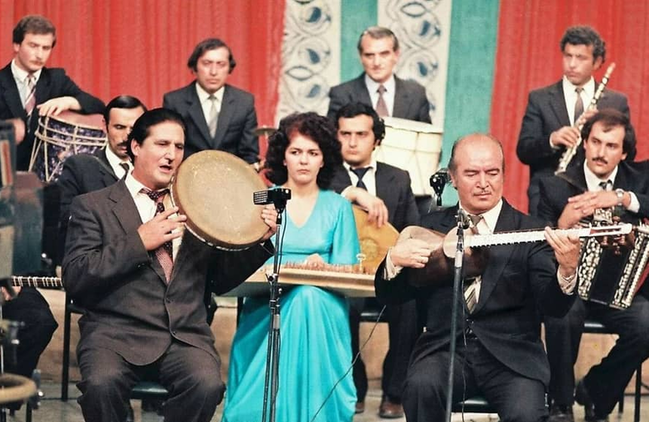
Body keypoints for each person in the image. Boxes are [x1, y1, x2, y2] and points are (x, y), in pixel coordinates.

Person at [62, 108, 276, 422]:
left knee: (207, 385)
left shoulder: (198, 206)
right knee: (100, 385)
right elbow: (76, 276)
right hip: (114, 338)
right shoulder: (93, 206)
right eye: (162, 144)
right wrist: (139, 241)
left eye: (178, 147)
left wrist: (259, 241)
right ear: (136, 146)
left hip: (183, 338)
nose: (172, 155)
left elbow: (217, 281)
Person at [375, 133, 581, 422]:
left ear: (503, 174)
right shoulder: (428, 226)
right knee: (421, 388)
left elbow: (554, 307)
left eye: (492, 172)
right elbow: (392, 296)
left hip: (513, 359)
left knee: (526, 414)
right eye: (471, 173)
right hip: (444, 352)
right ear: (453, 178)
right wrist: (393, 261)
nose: (483, 183)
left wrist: (567, 271)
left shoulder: (531, 231)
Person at [223, 112, 360, 422]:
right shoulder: (261, 202)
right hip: (266, 303)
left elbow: (349, 272)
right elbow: (240, 266)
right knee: (302, 298)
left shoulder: (339, 206)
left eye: (313, 153)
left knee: (307, 297)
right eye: (296, 151)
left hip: (324, 310)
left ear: (324, 159)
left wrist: (324, 267)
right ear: (282, 157)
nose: (304, 161)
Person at [537, 109, 649, 422]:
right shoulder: (554, 185)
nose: (601, 152)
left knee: (647, 325)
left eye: (611, 146)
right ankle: (560, 405)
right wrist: (562, 224)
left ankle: (595, 390)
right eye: (596, 142)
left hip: (622, 292)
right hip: (571, 286)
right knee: (562, 315)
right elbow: (535, 245)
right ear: (584, 143)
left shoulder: (641, 179)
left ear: (624, 152)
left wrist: (622, 198)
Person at [329, 102, 419, 418]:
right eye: (345, 134)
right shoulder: (324, 176)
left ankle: (394, 392)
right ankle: (353, 387)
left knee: (411, 305)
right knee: (342, 305)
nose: (352, 142)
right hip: (342, 273)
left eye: (361, 134)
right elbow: (319, 217)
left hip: (389, 272)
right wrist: (352, 193)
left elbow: (412, 229)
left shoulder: (399, 178)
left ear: (376, 139)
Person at [517, 25, 630, 216]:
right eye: (568, 56)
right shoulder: (539, 98)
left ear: (597, 62)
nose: (572, 64)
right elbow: (524, 150)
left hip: (596, 196)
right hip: (546, 197)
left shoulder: (616, 102)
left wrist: (601, 126)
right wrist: (552, 139)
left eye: (581, 58)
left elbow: (628, 152)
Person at [0, 14, 105, 172]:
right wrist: (7, 128)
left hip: (46, 177)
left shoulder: (57, 79)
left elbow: (98, 105)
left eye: (46, 48)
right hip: (5, 174)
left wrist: (69, 101)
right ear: (16, 45)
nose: (39, 55)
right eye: (33, 46)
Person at [56, 95, 147, 265]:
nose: (127, 136)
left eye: (134, 128)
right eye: (119, 127)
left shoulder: (154, 171)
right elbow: (64, 222)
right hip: (99, 265)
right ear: (105, 126)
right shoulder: (81, 168)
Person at [163, 38, 259, 165]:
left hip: (231, 174)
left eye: (221, 64)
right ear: (195, 66)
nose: (213, 72)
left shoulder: (244, 102)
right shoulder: (174, 101)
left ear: (229, 69)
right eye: (207, 63)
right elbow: (170, 149)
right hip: (187, 173)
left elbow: (249, 154)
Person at [327, 26, 430, 124]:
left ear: (396, 55)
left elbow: (427, 136)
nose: (377, 63)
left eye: (384, 54)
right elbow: (331, 135)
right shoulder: (342, 94)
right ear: (360, 57)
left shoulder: (416, 94)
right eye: (369, 55)